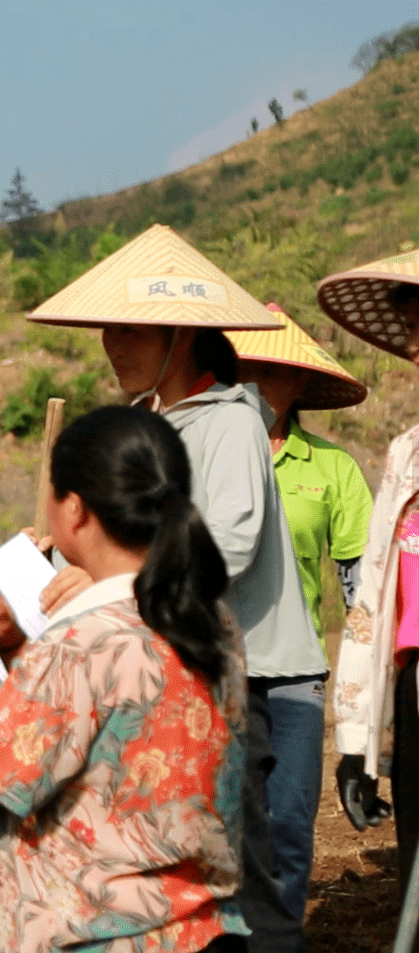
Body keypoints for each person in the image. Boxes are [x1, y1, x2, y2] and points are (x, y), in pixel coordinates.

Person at [26, 223, 313, 950]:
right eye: (106, 329)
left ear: (180, 335)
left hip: (251, 679)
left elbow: (229, 545)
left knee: (249, 874)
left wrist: (103, 577)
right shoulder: (145, 429)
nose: (110, 344)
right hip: (179, 673)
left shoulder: (228, 424)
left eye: (127, 328)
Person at [0, 405, 248, 953]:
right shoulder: (210, 619)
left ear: (73, 509)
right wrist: (16, 646)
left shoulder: (79, 642)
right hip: (200, 932)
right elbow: (102, 715)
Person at [229, 304, 373, 918]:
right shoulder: (198, 459)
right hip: (216, 668)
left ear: (300, 385)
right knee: (220, 823)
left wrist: (368, 704)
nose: (261, 382)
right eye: (248, 368)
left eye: (276, 371)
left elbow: (362, 585)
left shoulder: (334, 469)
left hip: (297, 673)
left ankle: (279, 936)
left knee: (287, 823)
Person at [318, 250, 419, 920]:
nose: (414, 349)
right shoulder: (407, 454)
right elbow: (374, 598)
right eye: (412, 334)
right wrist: (356, 742)